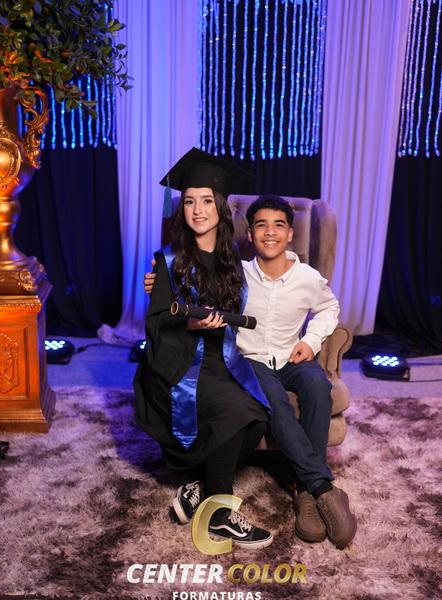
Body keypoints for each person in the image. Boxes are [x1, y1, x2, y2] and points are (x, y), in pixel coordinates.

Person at [145, 193, 357, 550]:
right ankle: (321, 488)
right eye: (261, 225)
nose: (270, 232)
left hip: (292, 358)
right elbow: (195, 281)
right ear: (251, 233)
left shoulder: (308, 277)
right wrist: (159, 281)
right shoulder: (237, 274)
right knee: (276, 404)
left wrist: (312, 340)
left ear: (290, 234)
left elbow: (329, 308)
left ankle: (305, 488)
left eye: (279, 225)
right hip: (252, 361)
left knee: (318, 386)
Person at [134, 148, 273, 549]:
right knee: (236, 412)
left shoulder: (234, 260)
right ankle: (220, 514)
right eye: (190, 201)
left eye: (207, 201)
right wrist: (190, 323)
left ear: (221, 207)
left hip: (222, 360)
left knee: (259, 415)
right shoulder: (167, 261)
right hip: (178, 365)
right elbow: (155, 327)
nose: (197, 210)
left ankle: (198, 486)